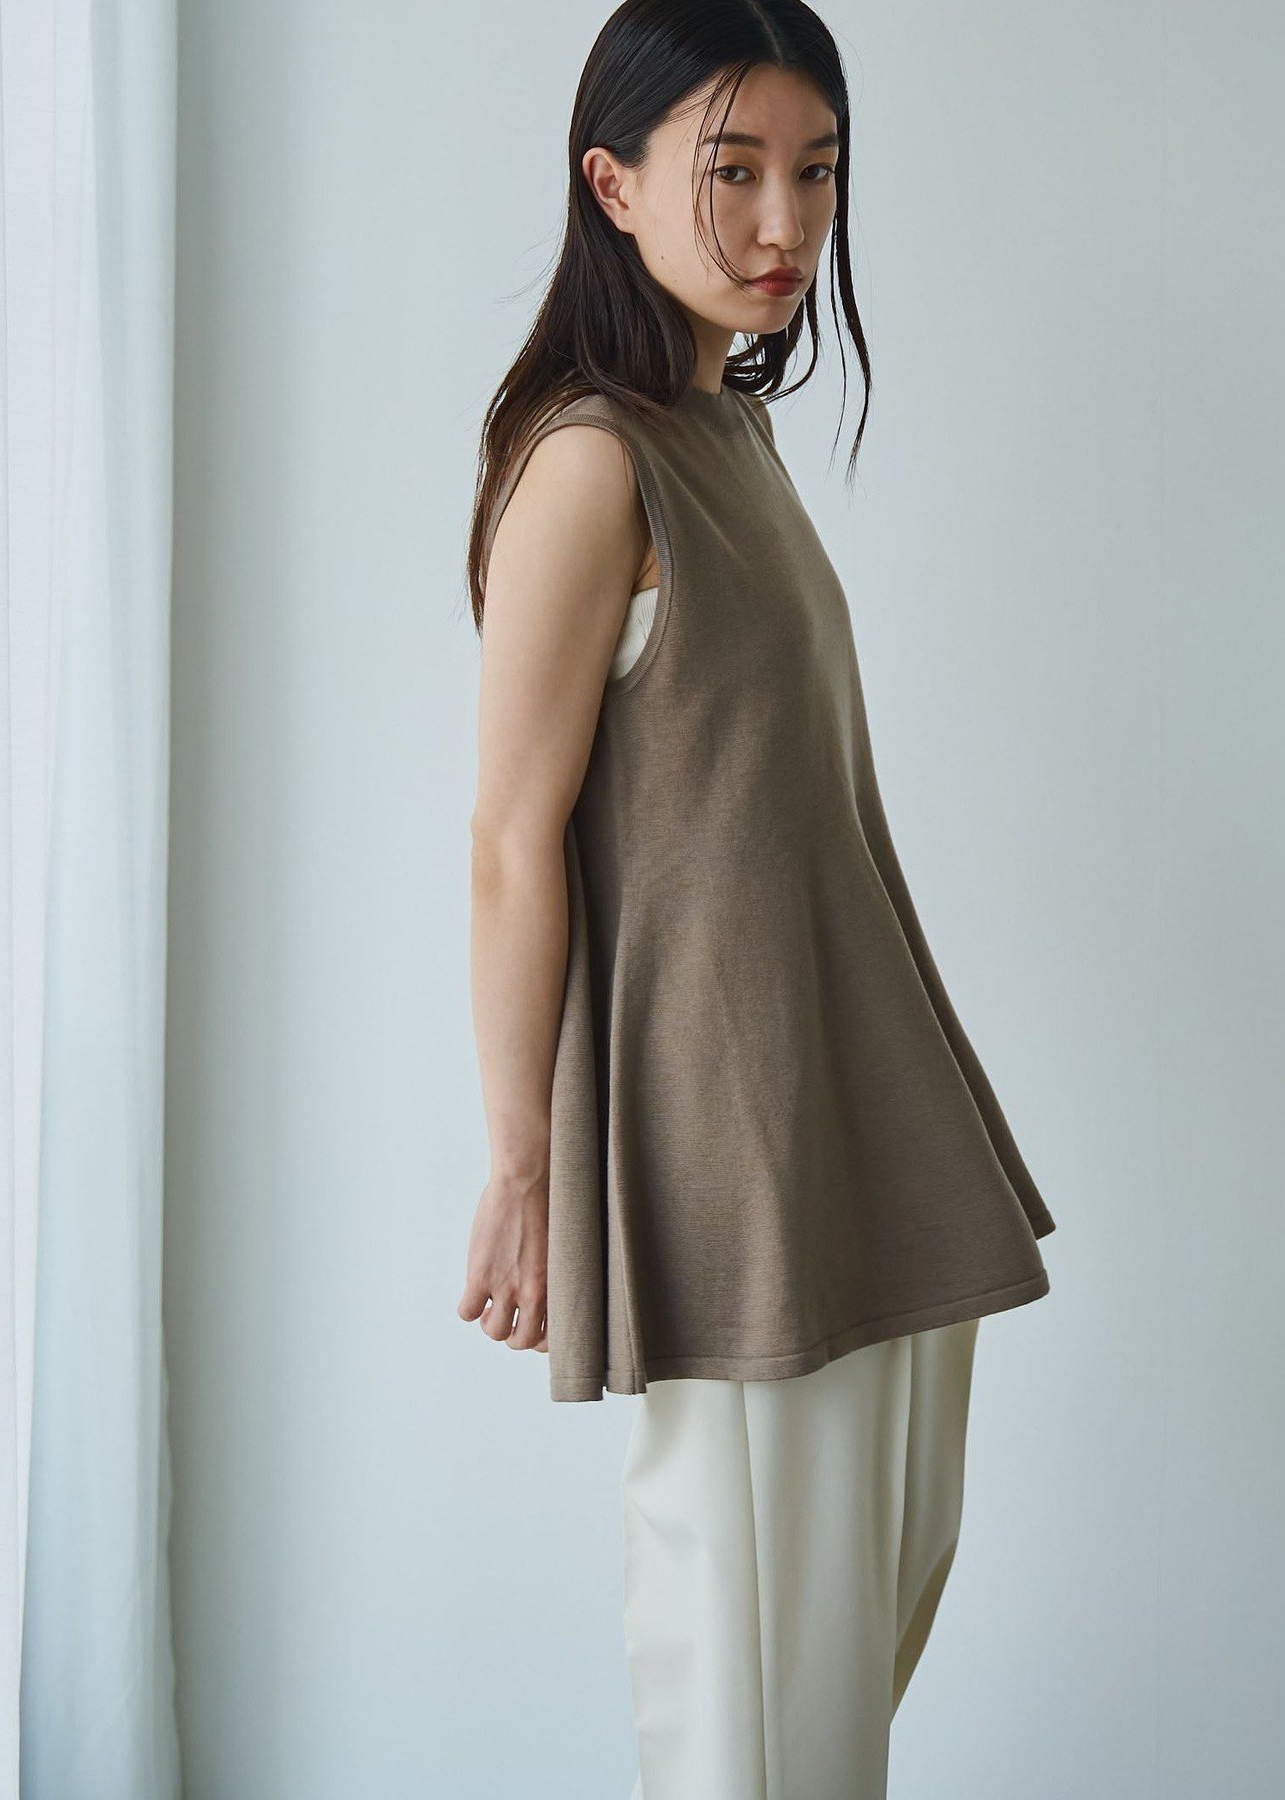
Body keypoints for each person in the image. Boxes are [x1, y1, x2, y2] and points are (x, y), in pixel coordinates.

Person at [458, 3, 1056, 1793]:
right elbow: (510, 840)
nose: (785, 222)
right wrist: (525, 1169)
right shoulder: (593, 465)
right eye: (731, 171)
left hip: (853, 1128)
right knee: (756, 1709)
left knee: (831, 1697)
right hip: (735, 1166)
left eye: (817, 170)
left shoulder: (729, 437)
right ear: (613, 186)